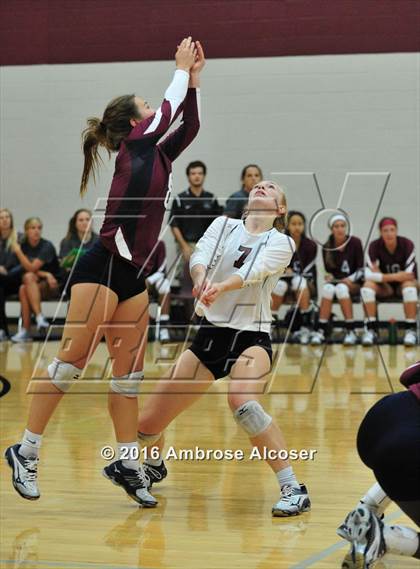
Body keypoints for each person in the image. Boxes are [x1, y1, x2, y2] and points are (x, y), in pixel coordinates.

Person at [5, 38, 204, 507]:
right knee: (72, 361)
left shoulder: (159, 153)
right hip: (102, 264)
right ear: (135, 123)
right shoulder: (136, 143)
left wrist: (192, 82)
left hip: (132, 273)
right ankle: (26, 449)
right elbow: (166, 110)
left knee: (128, 376)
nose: (156, 110)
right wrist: (178, 70)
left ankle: (127, 461)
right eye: (147, 108)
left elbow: (187, 122)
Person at [137, 181, 312, 517]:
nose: (262, 186)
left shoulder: (281, 242)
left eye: (271, 187)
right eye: (259, 184)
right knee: (146, 427)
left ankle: (293, 488)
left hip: (251, 336)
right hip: (209, 336)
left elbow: (252, 272)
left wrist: (220, 286)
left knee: (244, 404)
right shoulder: (223, 225)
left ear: (280, 210)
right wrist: (201, 277)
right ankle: (154, 463)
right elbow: (199, 253)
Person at [337, 360, 420, 568]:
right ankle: (381, 537)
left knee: (401, 461)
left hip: (384, 416)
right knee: (405, 459)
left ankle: (365, 511)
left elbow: (409, 373)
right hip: (409, 447)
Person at [361, 217, 418, 347]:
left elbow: (409, 275)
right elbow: (369, 275)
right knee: (367, 288)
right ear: (380, 232)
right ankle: (371, 330)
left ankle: (411, 330)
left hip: (403, 286)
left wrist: (381, 276)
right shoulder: (374, 246)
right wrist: (396, 276)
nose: (389, 233)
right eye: (385, 230)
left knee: (410, 287)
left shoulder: (407, 244)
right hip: (384, 287)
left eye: (392, 230)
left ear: (396, 231)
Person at [311, 214, 364, 346]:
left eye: (342, 226)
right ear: (332, 229)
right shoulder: (326, 246)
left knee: (342, 289)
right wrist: (328, 276)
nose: (340, 229)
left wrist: (348, 279)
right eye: (336, 226)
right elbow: (327, 271)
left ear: (346, 227)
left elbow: (361, 270)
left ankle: (350, 330)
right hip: (336, 283)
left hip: (353, 283)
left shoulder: (355, 242)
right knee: (327, 288)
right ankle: (321, 330)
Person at [10, 217, 66, 342]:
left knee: (27, 279)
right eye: (33, 228)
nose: (37, 231)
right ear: (26, 231)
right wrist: (45, 273)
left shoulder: (47, 246)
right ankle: (36, 321)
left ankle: (27, 329)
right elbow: (21, 269)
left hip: (53, 285)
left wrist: (19, 252)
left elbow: (31, 267)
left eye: (39, 228)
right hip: (34, 285)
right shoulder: (24, 245)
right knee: (23, 287)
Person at [170, 160, 221, 280]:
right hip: (187, 244)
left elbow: (217, 224)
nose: (197, 176)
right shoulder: (179, 199)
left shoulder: (211, 199)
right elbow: (173, 224)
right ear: (188, 176)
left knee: (206, 278)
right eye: (193, 173)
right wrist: (184, 246)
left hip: (207, 245)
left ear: (204, 176)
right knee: (184, 279)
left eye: (200, 173)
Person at [271, 211, 317, 345]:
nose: (297, 227)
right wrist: (283, 269)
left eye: (300, 224)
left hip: (303, 280)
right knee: (280, 286)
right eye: (293, 224)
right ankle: (270, 326)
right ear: (288, 226)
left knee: (299, 282)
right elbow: (273, 264)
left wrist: (293, 271)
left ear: (304, 226)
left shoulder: (310, 245)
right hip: (282, 280)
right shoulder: (279, 242)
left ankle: (305, 327)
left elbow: (308, 270)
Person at [0, 208, 23, 340]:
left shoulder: (19, 237)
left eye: (7, 217)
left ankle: (2, 329)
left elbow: (24, 263)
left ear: (11, 220)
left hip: (15, 279)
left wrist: (8, 273)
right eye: (1, 217)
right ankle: (3, 330)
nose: (4, 220)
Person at [144, 240, 172, 342]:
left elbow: (162, 270)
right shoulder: (134, 242)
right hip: (137, 281)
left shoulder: (159, 244)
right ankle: (143, 327)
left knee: (165, 285)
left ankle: (163, 329)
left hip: (153, 281)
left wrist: (149, 280)